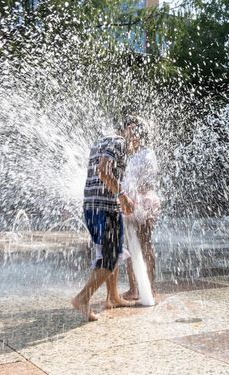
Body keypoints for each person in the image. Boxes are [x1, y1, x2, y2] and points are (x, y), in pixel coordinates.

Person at [72, 115, 143, 322]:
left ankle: (113, 296)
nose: (139, 140)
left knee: (111, 251)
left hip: (92, 205)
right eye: (139, 134)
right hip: (105, 206)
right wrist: (122, 196)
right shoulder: (119, 142)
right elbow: (104, 170)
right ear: (130, 129)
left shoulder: (102, 140)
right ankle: (82, 298)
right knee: (110, 256)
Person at [121, 145, 161, 301]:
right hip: (134, 201)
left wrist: (134, 196)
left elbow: (147, 181)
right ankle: (135, 288)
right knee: (132, 244)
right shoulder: (133, 156)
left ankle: (148, 286)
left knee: (145, 243)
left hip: (143, 201)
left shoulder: (147, 154)